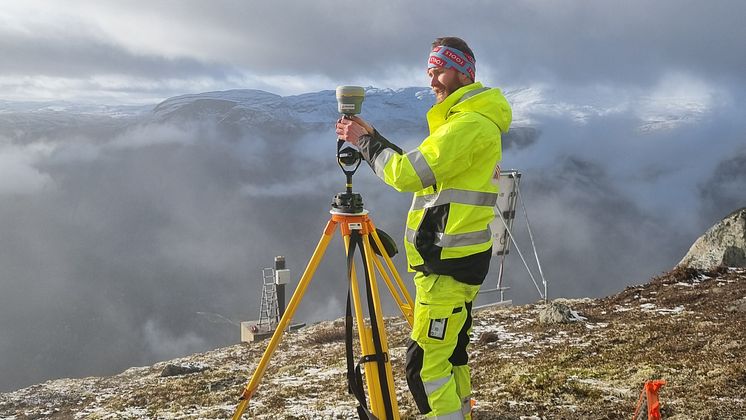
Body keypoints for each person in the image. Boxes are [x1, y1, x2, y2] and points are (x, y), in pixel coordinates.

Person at [335, 36, 512, 419]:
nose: (433, 81)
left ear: (465, 72)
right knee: (451, 356)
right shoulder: (470, 122)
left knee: (424, 368)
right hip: (458, 260)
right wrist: (374, 139)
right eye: (430, 72)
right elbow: (430, 175)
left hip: (445, 267)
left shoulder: (467, 126)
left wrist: (365, 144)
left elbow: (406, 174)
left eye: (440, 71)